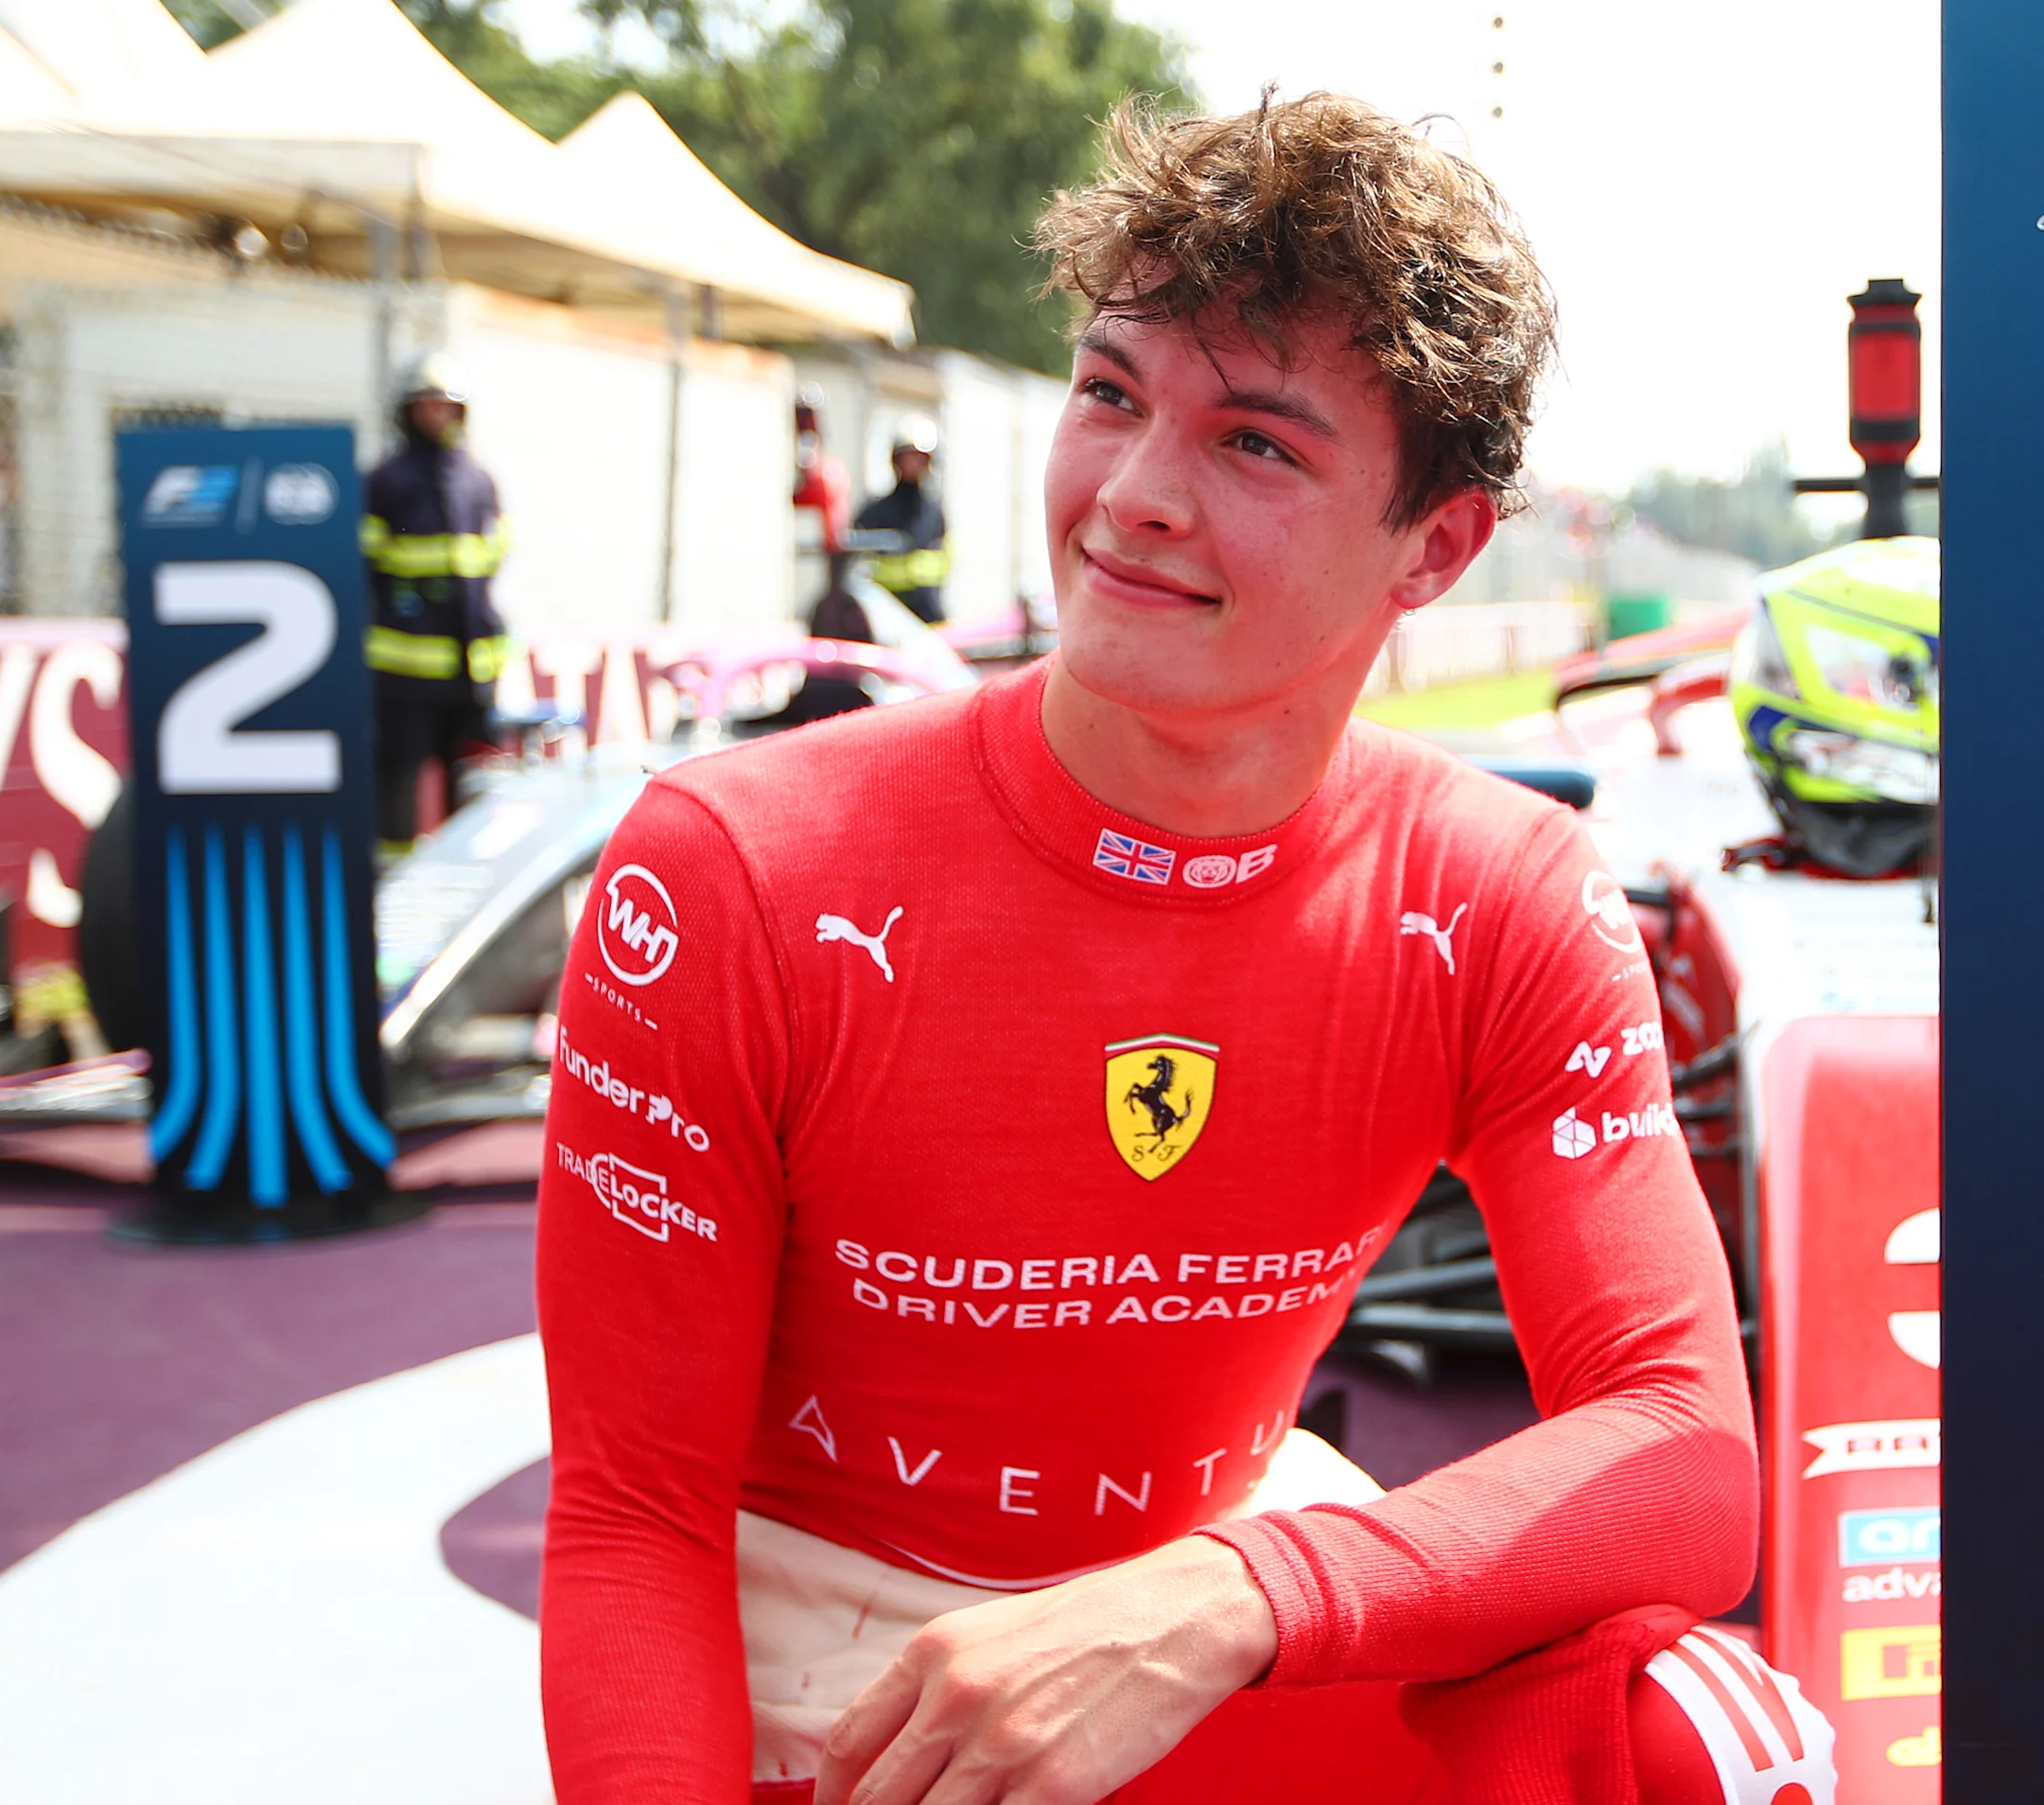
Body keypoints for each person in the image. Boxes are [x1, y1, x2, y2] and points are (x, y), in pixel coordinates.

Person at [535, 92, 1833, 1805]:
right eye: (1109, 392)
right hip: (839, 1663)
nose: (1131, 495)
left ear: (1435, 545)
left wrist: (1227, 1591)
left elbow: (1685, 1450)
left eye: (1257, 443)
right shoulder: (731, 869)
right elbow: (632, 1518)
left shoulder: (1504, 887)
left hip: (1211, 1588)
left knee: (1718, 1741)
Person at [361, 352, 509, 855]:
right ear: (406, 412)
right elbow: (369, 564)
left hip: (470, 676)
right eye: (424, 406)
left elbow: (491, 561)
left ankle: (465, 881)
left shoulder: (478, 482)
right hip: (404, 677)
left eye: (444, 406)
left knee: (471, 788)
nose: (434, 416)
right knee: (397, 786)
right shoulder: (386, 482)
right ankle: (394, 882)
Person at [856, 413, 952, 623]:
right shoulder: (876, 510)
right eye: (908, 456)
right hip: (884, 618)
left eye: (920, 457)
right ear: (895, 459)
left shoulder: (934, 512)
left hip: (929, 616)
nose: (913, 463)